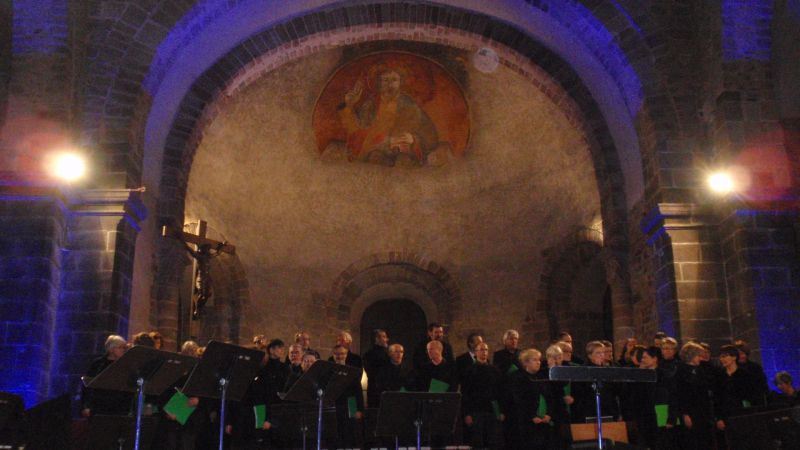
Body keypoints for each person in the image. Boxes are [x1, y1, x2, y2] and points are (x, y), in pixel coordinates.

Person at [339, 64, 439, 166]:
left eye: (394, 80)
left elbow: (430, 134)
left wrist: (413, 139)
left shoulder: (410, 105)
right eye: (385, 80)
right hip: (376, 148)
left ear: (401, 83)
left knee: (405, 162)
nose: (390, 84)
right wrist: (349, 106)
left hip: (405, 151)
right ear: (379, 83)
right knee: (375, 159)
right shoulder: (371, 104)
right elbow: (355, 129)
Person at [625, 346, 678, 450]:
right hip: (644, 414)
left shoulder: (664, 375)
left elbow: (672, 397)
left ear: (655, 359)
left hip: (661, 411)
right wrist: (639, 373)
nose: (642, 360)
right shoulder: (641, 375)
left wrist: (671, 418)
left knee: (661, 442)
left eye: (645, 357)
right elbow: (632, 394)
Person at [461, 342, 504, 449]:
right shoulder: (469, 371)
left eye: (486, 350)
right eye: (481, 350)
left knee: (494, 442)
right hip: (476, 411)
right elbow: (465, 393)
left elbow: (500, 392)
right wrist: (467, 413)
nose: (484, 352)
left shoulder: (495, 370)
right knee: (477, 442)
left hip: (492, 410)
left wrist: (501, 411)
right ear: (476, 352)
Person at [510, 348, 556, 450]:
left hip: (544, 421)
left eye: (539, 360)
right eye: (534, 360)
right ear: (526, 362)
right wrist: (531, 416)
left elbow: (550, 398)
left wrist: (549, 414)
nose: (538, 362)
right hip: (528, 423)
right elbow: (519, 400)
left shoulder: (541, 376)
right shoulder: (519, 378)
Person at [674, 342, 714, 450]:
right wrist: (685, 414)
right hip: (690, 412)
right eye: (698, 356)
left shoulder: (700, 370)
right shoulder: (681, 371)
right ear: (691, 356)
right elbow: (681, 394)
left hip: (703, 412)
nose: (701, 359)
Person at [713, 345, 760, 434]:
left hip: (742, 413)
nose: (722, 359)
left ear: (734, 357)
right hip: (725, 415)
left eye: (725, 356)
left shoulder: (745, 375)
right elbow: (717, 398)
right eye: (721, 357)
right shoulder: (719, 375)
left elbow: (752, 395)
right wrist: (719, 418)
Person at [81, 335, 131, 417]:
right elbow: (87, 385)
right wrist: (85, 406)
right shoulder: (98, 364)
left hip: (120, 408)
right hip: (99, 406)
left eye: (124, 348)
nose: (123, 350)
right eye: (120, 347)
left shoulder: (125, 365)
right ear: (111, 349)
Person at [331, 344, 364, 448]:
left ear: (346, 355)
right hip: (334, 405)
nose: (339, 356)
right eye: (337, 354)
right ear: (333, 355)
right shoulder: (328, 370)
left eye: (342, 354)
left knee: (351, 433)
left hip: (351, 403)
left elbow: (358, 391)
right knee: (336, 433)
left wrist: (359, 409)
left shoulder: (352, 371)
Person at [372, 344, 412, 408]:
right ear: (389, 354)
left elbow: (411, 386)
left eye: (401, 352)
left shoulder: (408, 370)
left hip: (405, 402)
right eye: (396, 351)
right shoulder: (383, 370)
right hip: (388, 402)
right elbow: (380, 387)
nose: (399, 354)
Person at [364, 329, 390, 407]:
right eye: (384, 337)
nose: (387, 339)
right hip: (376, 392)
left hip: (383, 391)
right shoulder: (370, 355)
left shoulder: (386, 353)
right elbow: (373, 374)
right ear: (376, 339)